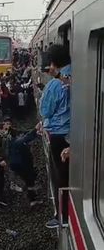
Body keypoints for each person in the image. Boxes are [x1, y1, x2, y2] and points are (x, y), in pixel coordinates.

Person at [39, 44, 71, 229]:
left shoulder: (53, 85)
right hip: (72, 133)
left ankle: (62, 216)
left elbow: (46, 111)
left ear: (52, 63)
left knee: (60, 176)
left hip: (59, 136)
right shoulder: (77, 74)